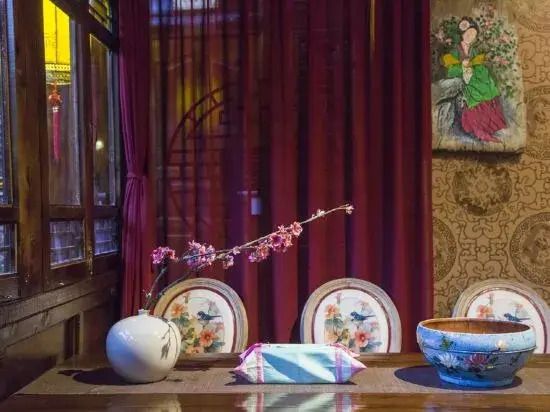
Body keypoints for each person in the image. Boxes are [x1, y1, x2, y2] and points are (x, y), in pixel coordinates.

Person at [441, 17, 507, 142]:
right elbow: (451, 70)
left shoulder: (474, 51)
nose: (470, 37)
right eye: (468, 33)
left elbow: (479, 65)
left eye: (473, 35)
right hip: (465, 78)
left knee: (488, 86)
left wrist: (475, 68)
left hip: (476, 76)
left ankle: (489, 126)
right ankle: (479, 129)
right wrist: (463, 66)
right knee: (474, 92)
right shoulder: (455, 51)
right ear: (462, 34)